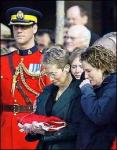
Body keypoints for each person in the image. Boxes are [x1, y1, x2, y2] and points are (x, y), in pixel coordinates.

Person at [0, 7, 51, 149]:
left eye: (24, 26)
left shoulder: (45, 61)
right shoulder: (2, 61)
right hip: (5, 130)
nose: (19, 30)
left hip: (32, 129)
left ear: (34, 29)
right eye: (16, 26)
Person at [20, 46, 82, 149]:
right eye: (48, 74)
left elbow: (77, 128)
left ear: (66, 68)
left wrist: (46, 133)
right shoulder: (47, 91)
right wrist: (32, 128)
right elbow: (38, 117)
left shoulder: (79, 91)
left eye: (53, 74)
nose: (50, 78)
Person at [78, 45, 116, 149]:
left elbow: (99, 115)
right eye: (84, 71)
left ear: (102, 67)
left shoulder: (113, 87)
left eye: (89, 71)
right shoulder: (92, 84)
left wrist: (87, 90)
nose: (85, 76)